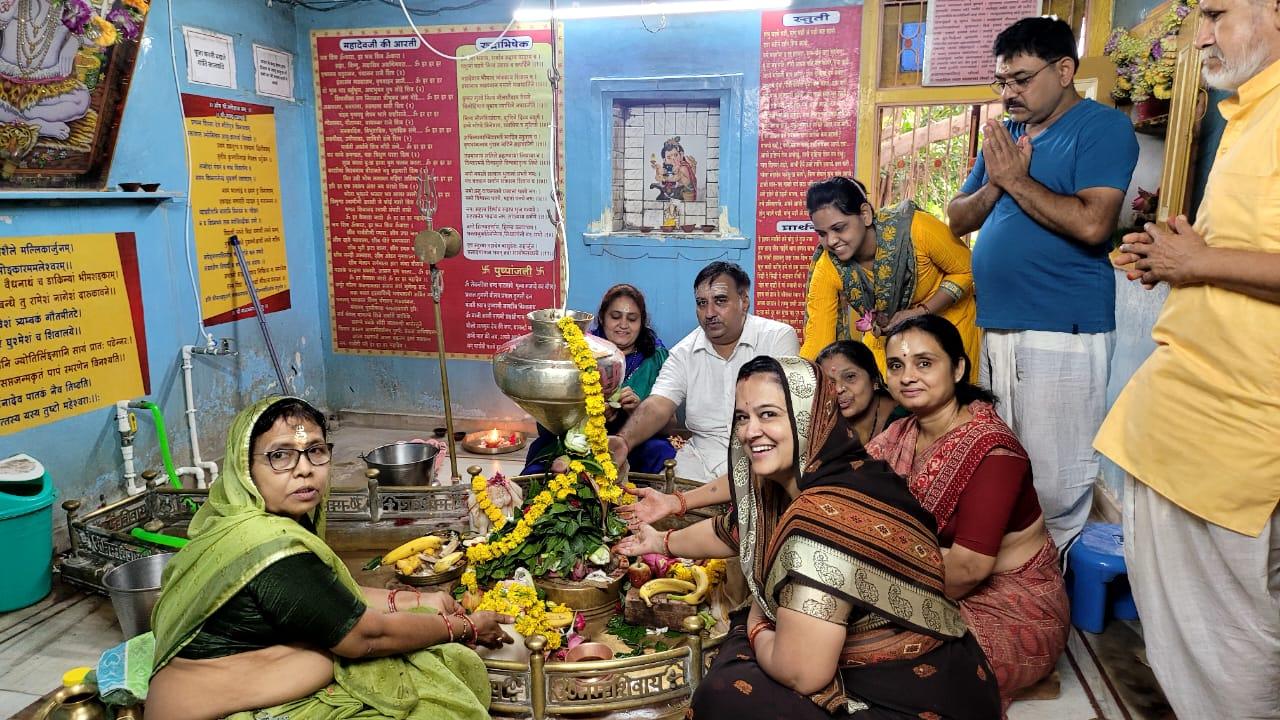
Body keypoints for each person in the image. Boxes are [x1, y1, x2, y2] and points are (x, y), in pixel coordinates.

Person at [617, 356, 1001, 719]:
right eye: (742, 417)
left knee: (725, 694)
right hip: (959, 668)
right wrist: (659, 542)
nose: (751, 431)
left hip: (911, 694)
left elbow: (803, 673)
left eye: (768, 415)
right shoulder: (851, 471)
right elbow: (734, 530)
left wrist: (756, 620)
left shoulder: (816, 522)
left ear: (810, 418)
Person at [1094, 2, 1280, 716]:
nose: (1199, 36)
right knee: (1195, 647)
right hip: (1193, 428)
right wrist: (1177, 257)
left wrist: (1198, 263)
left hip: (1236, 439)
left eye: (1216, 13)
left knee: (1229, 652)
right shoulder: (1248, 116)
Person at [146, 397, 514, 720]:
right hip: (217, 710)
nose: (304, 468)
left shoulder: (244, 520)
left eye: (316, 451)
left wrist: (417, 599)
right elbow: (365, 636)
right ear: (245, 469)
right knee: (439, 693)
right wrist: (465, 627)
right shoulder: (271, 551)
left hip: (245, 685)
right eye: (280, 455)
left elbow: (335, 594)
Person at [946, 17, 1139, 549]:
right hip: (1000, 327)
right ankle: (1013, 593)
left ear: (1064, 70)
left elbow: (1093, 223)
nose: (1009, 93)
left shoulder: (1101, 128)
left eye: (1022, 80)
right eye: (1002, 82)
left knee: (1054, 483)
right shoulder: (1007, 136)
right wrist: (997, 185)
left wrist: (1015, 180)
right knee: (1002, 467)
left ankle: (1048, 607)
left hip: (1062, 330)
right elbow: (958, 218)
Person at [866, 315, 1068, 711]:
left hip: (1010, 609)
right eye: (896, 365)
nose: (908, 376)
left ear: (958, 368)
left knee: (872, 658)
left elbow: (967, 571)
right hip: (928, 581)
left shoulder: (994, 452)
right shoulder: (902, 431)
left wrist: (869, 585)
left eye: (925, 363)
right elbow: (851, 488)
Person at [616, 339, 898, 526]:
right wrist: (674, 505)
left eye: (769, 414)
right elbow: (749, 480)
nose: (838, 389)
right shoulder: (816, 426)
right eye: (742, 417)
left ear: (874, 380)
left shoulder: (898, 430)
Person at [610, 261, 798, 482]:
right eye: (701, 303)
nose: (709, 313)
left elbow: (785, 416)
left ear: (744, 300)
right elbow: (659, 404)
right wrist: (623, 440)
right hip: (699, 461)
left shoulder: (777, 338)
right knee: (663, 504)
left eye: (720, 301)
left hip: (762, 456)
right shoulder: (683, 352)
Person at [799, 176, 979, 381]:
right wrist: (793, 383)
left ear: (865, 215)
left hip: (948, 325)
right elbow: (819, 337)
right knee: (881, 397)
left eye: (839, 228)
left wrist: (921, 311)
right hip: (888, 337)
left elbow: (967, 269)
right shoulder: (828, 265)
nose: (831, 241)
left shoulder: (915, 229)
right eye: (821, 233)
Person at [522, 284, 676, 474]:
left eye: (632, 318)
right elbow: (547, 420)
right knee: (541, 457)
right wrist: (589, 414)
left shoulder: (655, 358)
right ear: (602, 318)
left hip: (633, 445)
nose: (624, 325)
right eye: (615, 316)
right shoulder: (577, 352)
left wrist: (639, 410)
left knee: (659, 451)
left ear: (642, 322)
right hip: (578, 441)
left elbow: (670, 426)